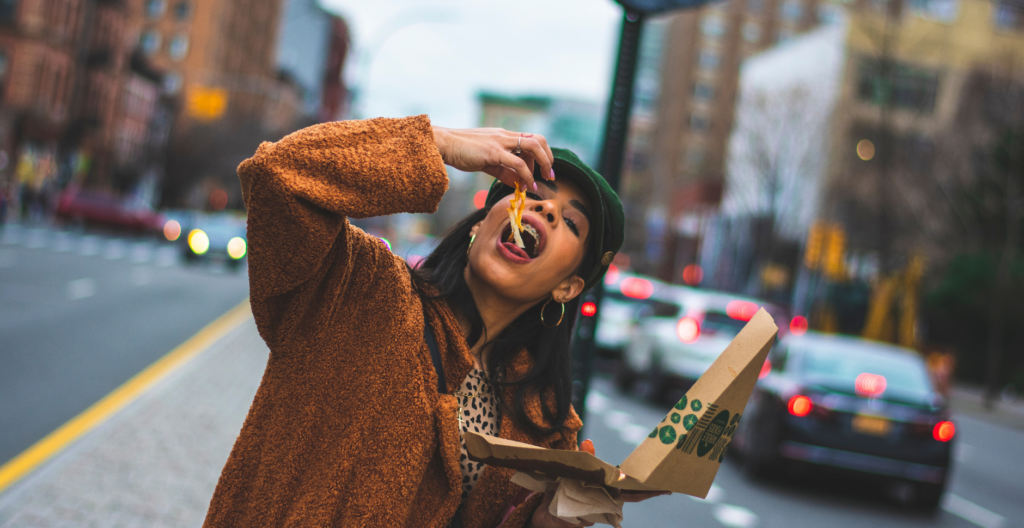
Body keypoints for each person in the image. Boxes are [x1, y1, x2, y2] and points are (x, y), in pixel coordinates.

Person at [203, 116, 664, 528]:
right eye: (533, 195)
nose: (544, 209)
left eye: (571, 222)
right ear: (478, 226)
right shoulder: (360, 289)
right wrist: (435, 143)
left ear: (568, 287)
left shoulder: (547, 426)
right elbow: (277, 175)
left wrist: (545, 522)